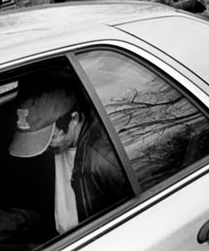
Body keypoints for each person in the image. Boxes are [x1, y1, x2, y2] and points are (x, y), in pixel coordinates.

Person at [8, 77, 130, 235]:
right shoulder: (58, 144)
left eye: (49, 137)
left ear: (73, 119)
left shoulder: (105, 160)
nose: (44, 149)